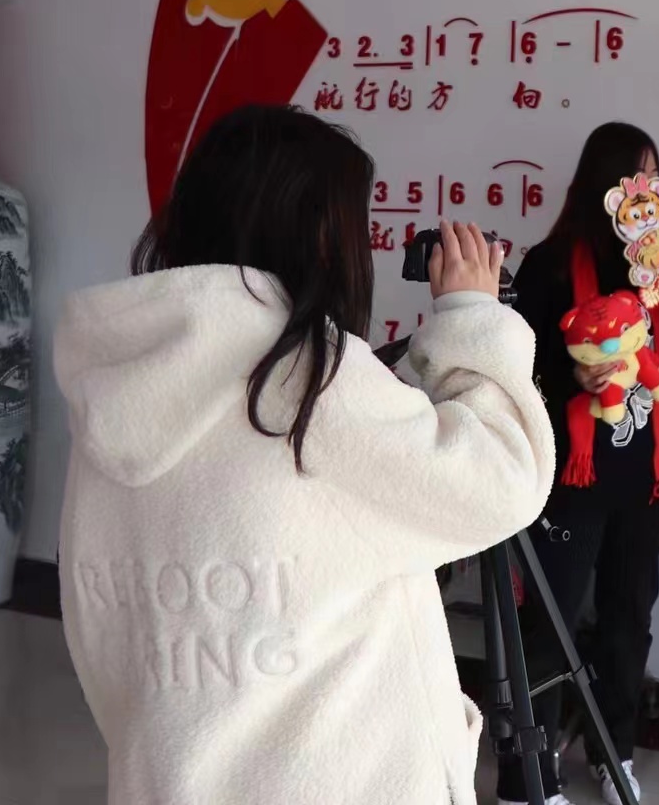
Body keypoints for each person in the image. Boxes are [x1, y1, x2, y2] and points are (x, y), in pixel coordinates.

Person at [53, 104, 557, 805]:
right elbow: (501, 480)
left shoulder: (122, 383)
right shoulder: (307, 376)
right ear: (320, 238)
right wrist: (473, 317)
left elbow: (102, 638)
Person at [498, 122, 659, 805]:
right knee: (551, 619)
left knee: (629, 616)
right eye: (632, 175)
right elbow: (524, 359)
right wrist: (575, 376)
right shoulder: (552, 261)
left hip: (649, 471)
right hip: (572, 473)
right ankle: (526, 773)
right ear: (604, 184)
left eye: (653, 175)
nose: (644, 190)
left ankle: (614, 754)